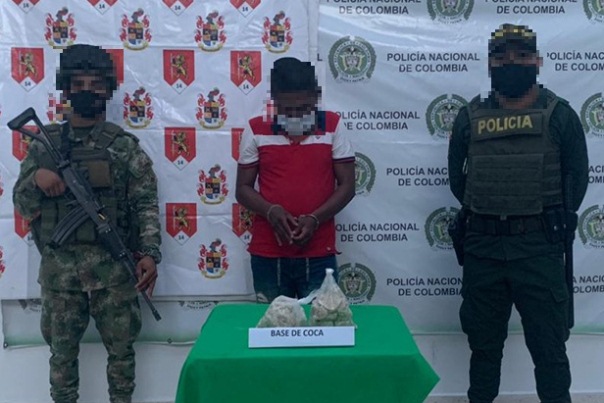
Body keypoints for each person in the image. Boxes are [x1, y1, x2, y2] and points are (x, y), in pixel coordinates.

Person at [448, 24, 589, 403]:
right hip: (483, 248)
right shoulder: (469, 117)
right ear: (490, 64)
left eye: (521, 56)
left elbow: (577, 182)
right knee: (483, 353)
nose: (511, 63)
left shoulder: (559, 116)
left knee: (550, 353)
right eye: (502, 57)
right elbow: (459, 183)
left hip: (538, 248)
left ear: (537, 61)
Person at [13, 44, 162, 403]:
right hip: (61, 274)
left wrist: (150, 254)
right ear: (65, 89)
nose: (86, 91)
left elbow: (145, 202)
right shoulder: (44, 146)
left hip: (114, 270)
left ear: (108, 90)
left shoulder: (123, 147)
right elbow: (22, 204)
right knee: (61, 358)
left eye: (95, 84)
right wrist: (37, 179)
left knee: (122, 355)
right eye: (78, 84)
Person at [236, 57, 355, 303]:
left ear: (316, 98)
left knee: (324, 321)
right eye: (287, 110)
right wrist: (270, 211)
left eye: (303, 109)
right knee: (272, 323)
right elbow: (243, 188)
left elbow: (348, 186)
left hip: (319, 253)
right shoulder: (256, 128)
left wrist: (315, 219)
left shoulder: (333, 125)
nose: (295, 116)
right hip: (268, 255)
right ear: (274, 101)